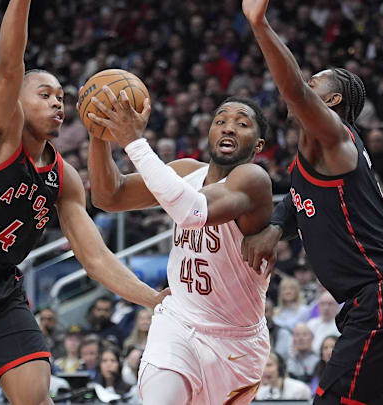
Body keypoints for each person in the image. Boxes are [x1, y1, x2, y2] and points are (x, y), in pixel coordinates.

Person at [0, 2, 166, 404]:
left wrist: (153, 299)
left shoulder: (65, 178)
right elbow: (8, 64)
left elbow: (95, 258)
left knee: (36, 396)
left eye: (61, 97)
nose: (58, 103)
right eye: (45, 94)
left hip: (2, 286)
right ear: (16, 103)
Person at [240, 0, 383, 403]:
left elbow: (292, 90)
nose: (304, 88)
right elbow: (298, 200)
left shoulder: (335, 140)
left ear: (331, 103)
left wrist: (259, 25)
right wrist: (277, 228)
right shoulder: (315, 157)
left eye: (316, 85)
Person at [86, 88, 274, 402]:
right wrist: (100, 132)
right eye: (221, 120)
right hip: (177, 321)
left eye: (242, 124)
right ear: (210, 132)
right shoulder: (187, 172)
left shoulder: (254, 180)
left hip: (236, 345)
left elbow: (193, 211)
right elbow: (109, 196)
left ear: (258, 144)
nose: (228, 127)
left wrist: (134, 141)